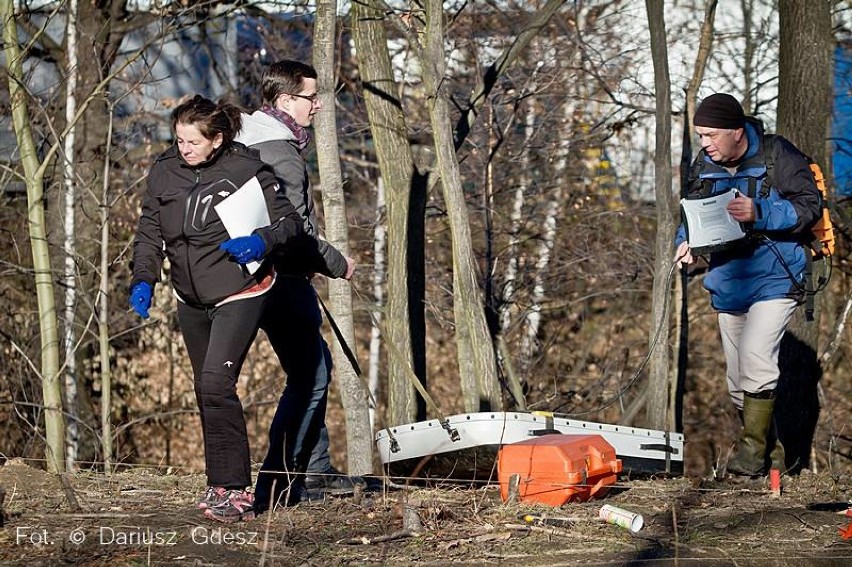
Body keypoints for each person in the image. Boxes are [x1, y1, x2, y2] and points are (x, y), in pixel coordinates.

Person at [129, 95, 304, 522]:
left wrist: (260, 241)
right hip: (190, 297)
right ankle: (219, 484)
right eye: (178, 140)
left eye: (191, 142)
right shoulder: (165, 172)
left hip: (240, 289)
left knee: (215, 383)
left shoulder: (246, 170)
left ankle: (238, 491)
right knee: (206, 391)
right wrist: (143, 278)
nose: (183, 149)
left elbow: (289, 222)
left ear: (217, 139)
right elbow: (150, 230)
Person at [235, 59, 361, 515]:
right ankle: (287, 479)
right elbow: (297, 230)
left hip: (264, 276)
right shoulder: (281, 152)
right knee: (311, 376)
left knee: (314, 367)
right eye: (312, 97)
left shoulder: (251, 141)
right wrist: (338, 264)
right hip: (282, 277)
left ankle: (315, 469)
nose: (320, 105)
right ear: (285, 100)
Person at [675, 93, 821, 478]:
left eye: (710, 135)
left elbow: (810, 206)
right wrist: (685, 242)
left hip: (776, 276)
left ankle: (750, 454)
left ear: (737, 133)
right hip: (728, 282)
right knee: (738, 384)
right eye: (701, 135)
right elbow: (690, 214)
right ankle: (772, 457)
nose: (704, 143)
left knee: (757, 359)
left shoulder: (778, 155)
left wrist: (760, 211)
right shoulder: (702, 164)